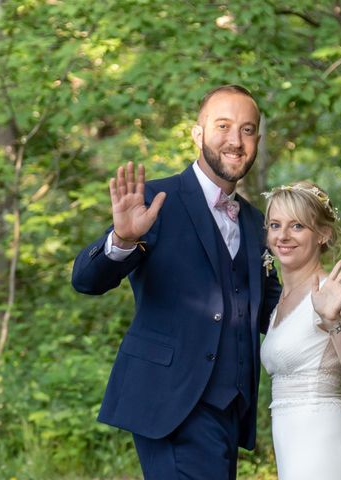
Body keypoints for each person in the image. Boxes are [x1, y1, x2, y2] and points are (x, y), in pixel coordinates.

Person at [71, 85, 281, 479]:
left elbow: (273, 311)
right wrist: (123, 240)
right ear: (197, 134)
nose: (236, 140)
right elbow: (86, 280)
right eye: (223, 126)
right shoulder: (155, 201)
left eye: (248, 129)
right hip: (168, 403)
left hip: (229, 412)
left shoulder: (256, 223)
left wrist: (326, 307)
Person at [260, 182, 341, 480]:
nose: (282, 236)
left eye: (297, 226)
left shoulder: (334, 295)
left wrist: (333, 321)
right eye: (275, 225)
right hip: (291, 443)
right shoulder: (278, 301)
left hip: (322, 444)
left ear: (323, 234)